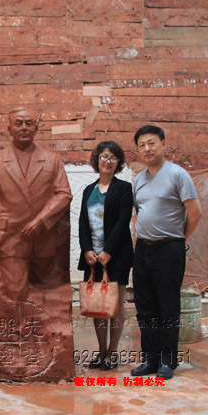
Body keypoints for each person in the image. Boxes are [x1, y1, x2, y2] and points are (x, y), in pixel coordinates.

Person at [130, 125, 202, 380]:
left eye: (151, 143)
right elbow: (139, 212)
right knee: (145, 307)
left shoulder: (177, 174)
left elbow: (195, 212)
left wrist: (180, 239)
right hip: (143, 250)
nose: (147, 149)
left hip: (169, 250)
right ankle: (150, 359)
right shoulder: (139, 180)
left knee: (167, 307)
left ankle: (167, 361)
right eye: (141, 145)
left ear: (162, 144)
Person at [0, 107, 72, 298]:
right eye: (18, 124)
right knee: (16, 293)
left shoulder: (52, 160)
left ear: (36, 128)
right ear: (9, 129)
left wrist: (40, 222)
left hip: (44, 237)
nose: (24, 128)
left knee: (50, 294)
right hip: (10, 237)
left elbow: (64, 194)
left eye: (29, 123)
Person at [78, 141, 133, 371]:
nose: (107, 161)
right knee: (98, 306)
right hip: (93, 258)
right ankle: (101, 352)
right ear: (97, 159)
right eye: (104, 156)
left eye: (113, 157)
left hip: (116, 256)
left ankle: (112, 352)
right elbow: (82, 222)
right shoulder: (88, 190)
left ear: (118, 162)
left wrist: (108, 251)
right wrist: (87, 249)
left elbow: (123, 222)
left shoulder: (123, 188)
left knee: (115, 306)